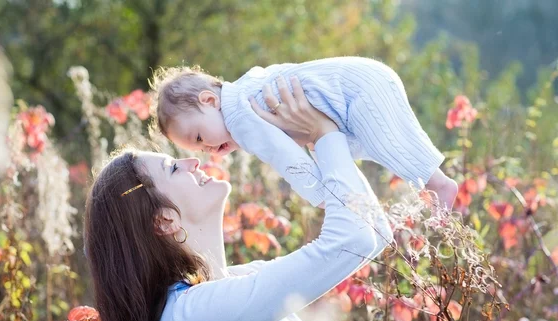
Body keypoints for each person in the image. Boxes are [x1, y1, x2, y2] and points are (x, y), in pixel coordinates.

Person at [85, 79, 392, 321]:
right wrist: (324, 134)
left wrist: (318, 140)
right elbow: (353, 241)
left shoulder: (237, 283)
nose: (193, 162)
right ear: (164, 222)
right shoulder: (191, 318)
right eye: (173, 168)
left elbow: (372, 233)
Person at [150, 57, 458, 212]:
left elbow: (285, 157)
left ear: (209, 100)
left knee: (388, 144)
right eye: (201, 149)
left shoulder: (241, 116)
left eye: (201, 137)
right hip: (361, 79)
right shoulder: (244, 91)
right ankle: (434, 188)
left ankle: (440, 186)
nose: (209, 148)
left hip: (357, 90)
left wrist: (323, 196)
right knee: (387, 144)